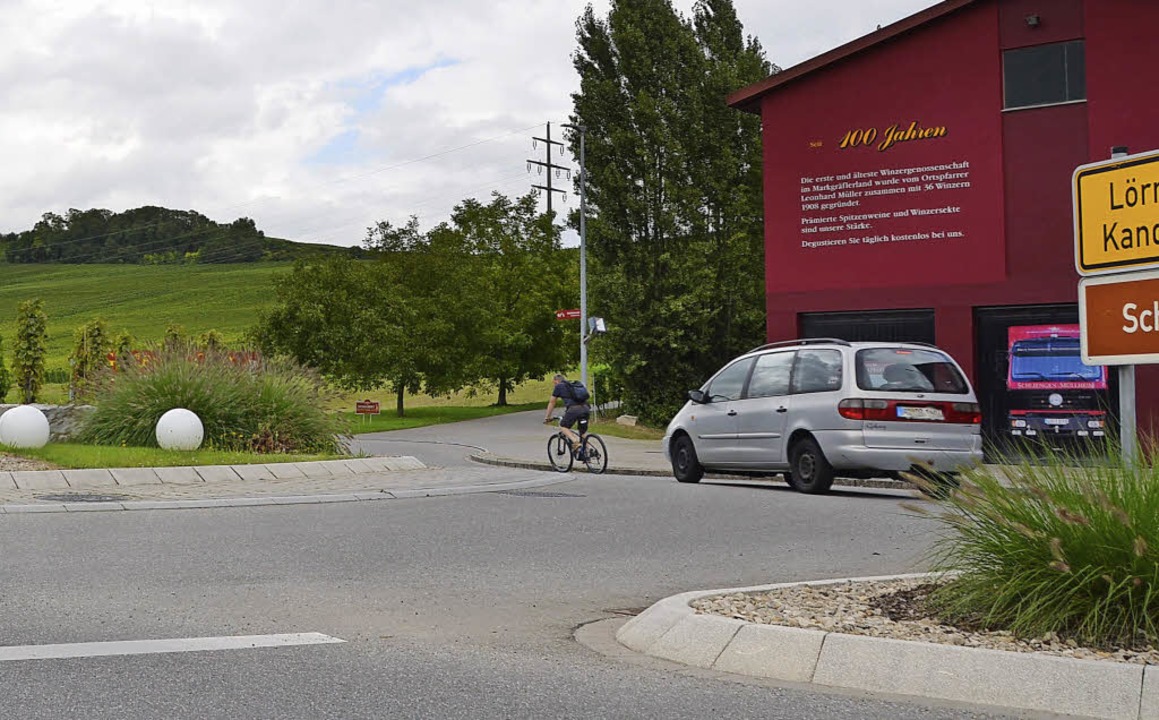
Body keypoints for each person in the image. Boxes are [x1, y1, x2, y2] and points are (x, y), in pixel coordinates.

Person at [543, 373, 590, 449]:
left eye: (554, 383)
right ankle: (589, 452)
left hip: (574, 409)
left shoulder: (559, 386)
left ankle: (575, 441)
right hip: (586, 408)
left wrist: (547, 417)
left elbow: (552, 402)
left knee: (563, 426)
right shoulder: (573, 385)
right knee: (582, 432)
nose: (554, 385)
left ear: (556, 381)